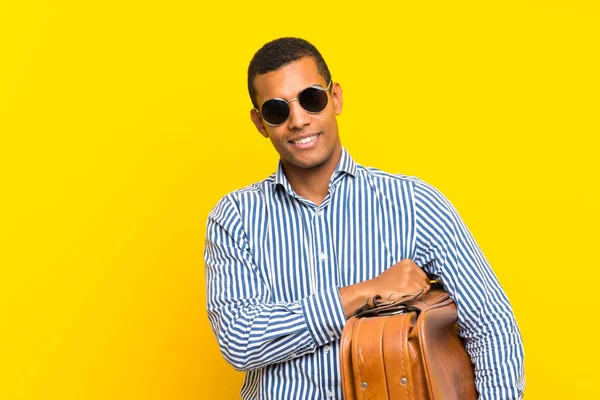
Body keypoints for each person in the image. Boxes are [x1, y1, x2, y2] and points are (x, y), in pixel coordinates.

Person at [204, 37, 524, 400]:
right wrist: (365, 293)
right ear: (260, 123)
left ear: (335, 97)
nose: (298, 120)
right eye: (277, 110)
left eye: (311, 98)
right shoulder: (235, 219)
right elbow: (240, 342)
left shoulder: (415, 203)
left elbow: (491, 326)